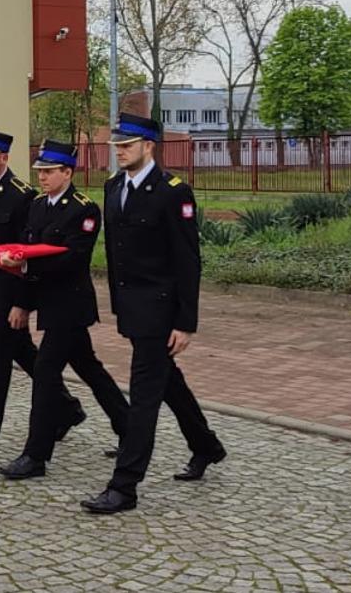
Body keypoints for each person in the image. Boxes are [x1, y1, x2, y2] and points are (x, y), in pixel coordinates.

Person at [82, 114, 227, 515]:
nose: (120, 150)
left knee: (144, 397)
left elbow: (187, 261)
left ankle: (124, 486)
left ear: (149, 146)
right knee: (168, 383)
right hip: (132, 308)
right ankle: (207, 446)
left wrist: (185, 322)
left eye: (128, 145)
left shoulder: (171, 192)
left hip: (161, 310)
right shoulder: (113, 188)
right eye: (117, 145)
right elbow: (116, 255)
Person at [0, 128, 91, 462]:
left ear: (4, 158)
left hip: (10, 292)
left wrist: (22, 302)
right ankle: (67, 408)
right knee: (24, 353)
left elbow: (27, 251)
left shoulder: (22, 196)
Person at [0, 139, 130, 481]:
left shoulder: (84, 209)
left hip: (70, 305)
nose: (42, 177)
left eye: (49, 171)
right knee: (90, 369)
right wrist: (23, 299)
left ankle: (35, 456)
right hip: (47, 303)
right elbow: (26, 250)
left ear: (67, 172)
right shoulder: (38, 206)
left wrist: (26, 268)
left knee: (45, 373)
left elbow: (71, 258)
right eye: (39, 171)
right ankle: (130, 429)